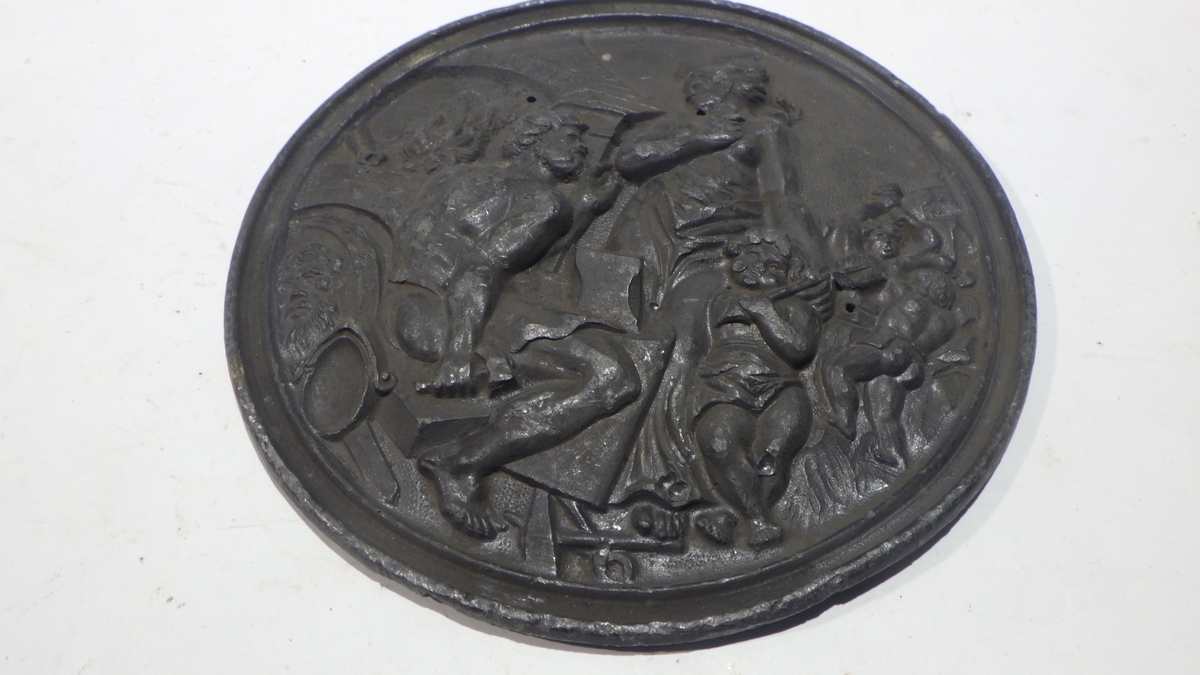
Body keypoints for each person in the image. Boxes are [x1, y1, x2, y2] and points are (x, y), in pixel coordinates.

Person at [389, 109, 639, 539]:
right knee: (611, 375)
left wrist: (583, 210)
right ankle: (461, 463)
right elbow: (480, 269)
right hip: (454, 318)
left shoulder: (466, 178)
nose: (581, 149)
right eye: (568, 137)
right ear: (532, 140)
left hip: (411, 306)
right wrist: (459, 351)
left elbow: (506, 257)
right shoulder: (544, 203)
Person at [690, 228, 823, 548]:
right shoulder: (720, 300)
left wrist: (765, 313)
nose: (760, 269)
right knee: (718, 442)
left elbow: (800, 350)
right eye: (752, 259)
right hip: (725, 385)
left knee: (771, 456)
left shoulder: (795, 307)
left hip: (780, 387)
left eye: (773, 266)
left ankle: (745, 516)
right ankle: (751, 516)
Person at [822, 186, 958, 469]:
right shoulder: (860, 261)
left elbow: (932, 243)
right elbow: (850, 223)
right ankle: (893, 456)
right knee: (883, 414)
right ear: (867, 241)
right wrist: (882, 204)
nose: (888, 244)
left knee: (836, 368)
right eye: (880, 237)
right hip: (906, 356)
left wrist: (901, 214)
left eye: (894, 240)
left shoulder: (897, 267)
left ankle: (845, 419)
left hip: (884, 343)